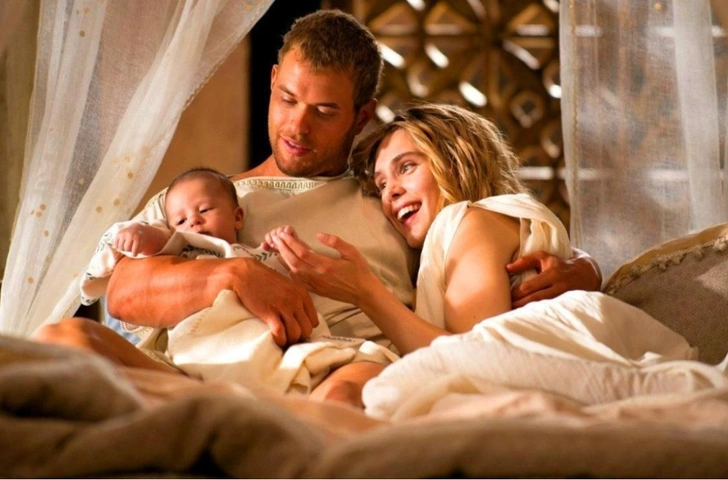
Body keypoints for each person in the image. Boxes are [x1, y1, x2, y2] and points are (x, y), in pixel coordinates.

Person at [33, 10, 602, 407]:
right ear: (273, 81)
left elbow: (481, 236)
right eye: (287, 99)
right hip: (193, 372)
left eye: (325, 112)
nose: (298, 127)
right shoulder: (200, 197)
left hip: (333, 371)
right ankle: (228, 419)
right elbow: (125, 294)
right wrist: (235, 275)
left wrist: (583, 269)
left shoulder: (389, 202)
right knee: (64, 340)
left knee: (348, 392)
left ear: (361, 116)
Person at [269, 103, 723, 418]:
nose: (392, 192)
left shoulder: (471, 220)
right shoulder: (467, 233)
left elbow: (473, 358)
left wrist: (365, 291)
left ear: (454, 159)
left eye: (406, 167)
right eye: (383, 183)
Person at [82, 166, 399, 399]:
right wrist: (139, 234)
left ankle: (282, 383)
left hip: (269, 334)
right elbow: (152, 249)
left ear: (237, 217)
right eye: (181, 220)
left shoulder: (248, 251)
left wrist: (278, 245)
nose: (193, 221)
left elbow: (278, 273)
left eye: (205, 210)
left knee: (319, 367)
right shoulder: (184, 246)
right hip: (208, 339)